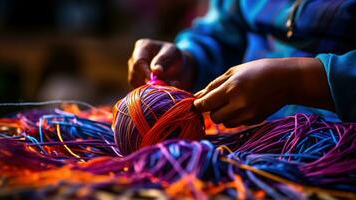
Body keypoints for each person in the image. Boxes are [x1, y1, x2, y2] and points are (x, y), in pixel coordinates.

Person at [127, 0, 356, 127]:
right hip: (251, 138)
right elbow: (222, 34)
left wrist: (300, 80)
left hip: (335, 146)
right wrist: (188, 61)